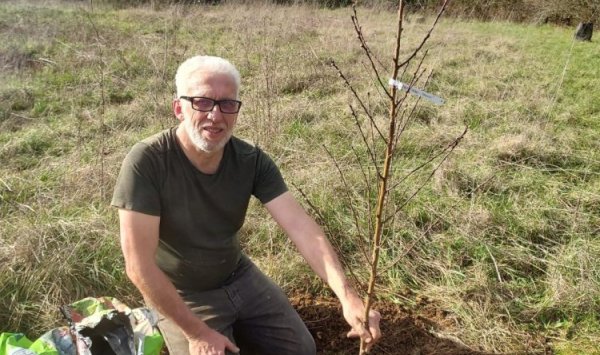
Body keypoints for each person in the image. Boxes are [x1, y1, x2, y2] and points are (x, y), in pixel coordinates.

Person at [111, 55, 381, 355]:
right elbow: (139, 266)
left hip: (237, 275)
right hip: (182, 292)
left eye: (227, 104)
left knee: (301, 349)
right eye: (202, 102)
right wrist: (197, 332)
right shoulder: (148, 162)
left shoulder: (250, 160)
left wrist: (347, 296)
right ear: (178, 108)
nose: (215, 116)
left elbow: (302, 228)